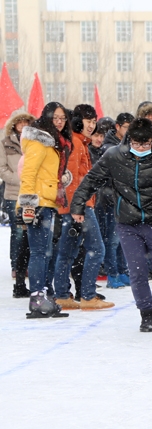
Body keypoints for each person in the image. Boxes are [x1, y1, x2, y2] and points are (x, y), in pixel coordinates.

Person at [71, 118, 152, 332]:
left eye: (146, 144)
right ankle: (146, 312)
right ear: (129, 139)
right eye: (137, 143)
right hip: (127, 223)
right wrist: (77, 206)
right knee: (137, 270)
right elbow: (90, 181)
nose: (141, 148)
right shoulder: (114, 156)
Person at [53, 104, 113, 311]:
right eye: (88, 121)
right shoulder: (76, 143)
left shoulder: (79, 142)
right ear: (77, 121)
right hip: (79, 206)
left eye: (94, 121)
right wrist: (77, 207)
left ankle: (62, 295)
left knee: (67, 251)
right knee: (96, 248)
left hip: (75, 205)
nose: (92, 125)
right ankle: (87, 295)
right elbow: (68, 179)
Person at [18, 102, 73, 318]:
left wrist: (61, 178)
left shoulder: (55, 144)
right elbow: (29, 173)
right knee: (40, 252)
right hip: (38, 203)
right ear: (46, 118)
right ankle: (37, 298)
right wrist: (28, 204)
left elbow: (47, 172)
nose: (59, 122)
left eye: (62, 118)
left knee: (47, 252)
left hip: (48, 202)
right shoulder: (40, 142)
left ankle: (43, 294)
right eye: (55, 118)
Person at [1, 112, 35, 298]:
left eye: (26, 123)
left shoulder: (33, 143)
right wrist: (19, 179)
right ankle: (16, 265)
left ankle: (26, 264)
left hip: (31, 194)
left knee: (30, 230)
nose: (23, 125)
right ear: (14, 125)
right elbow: (2, 168)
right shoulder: (6, 143)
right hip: (14, 192)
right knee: (18, 231)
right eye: (20, 123)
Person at [100, 113, 133, 282]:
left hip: (126, 199)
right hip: (111, 199)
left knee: (123, 240)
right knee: (112, 239)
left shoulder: (129, 146)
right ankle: (112, 274)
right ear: (118, 127)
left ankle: (122, 271)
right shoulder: (108, 146)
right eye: (126, 127)